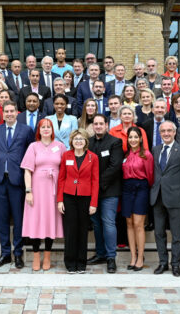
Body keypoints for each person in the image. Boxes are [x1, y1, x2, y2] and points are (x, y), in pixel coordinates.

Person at [0, 101, 35, 269]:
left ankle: (17, 253)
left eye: (12, 111)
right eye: (6, 111)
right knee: (1, 218)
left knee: (18, 218)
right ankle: (5, 253)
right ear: (2, 113)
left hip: (17, 179)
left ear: (17, 112)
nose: (9, 114)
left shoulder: (26, 130)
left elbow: (30, 153)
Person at [20, 118, 67, 271]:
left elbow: (66, 170)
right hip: (36, 190)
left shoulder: (60, 146)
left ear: (52, 130)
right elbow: (27, 170)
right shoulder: (33, 146)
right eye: (43, 127)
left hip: (53, 191)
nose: (46, 129)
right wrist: (28, 191)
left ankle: (47, 255)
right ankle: (35, 256)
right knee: (35, 221)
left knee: (50, 222)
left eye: (49, 127)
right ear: (39, 130)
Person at [150, 121, 180, 277]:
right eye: (163, 131)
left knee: (176, 234)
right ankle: (163, 262)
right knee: (159, 233)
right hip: (157, 197)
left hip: (175, 197)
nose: (166, 133)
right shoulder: (155, 150)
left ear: (175, 132)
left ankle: (175, 264)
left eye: (169, 131)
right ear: (160, 133)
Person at [57, 129, 99, 274]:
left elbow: (95, 181)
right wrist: (60, 200)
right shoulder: (66, 155)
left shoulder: (93, 157)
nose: (79, 141)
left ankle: (81, 262)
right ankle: (70, 262)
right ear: (72, 142)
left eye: (81, 139)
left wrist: (94, 203)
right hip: (68, 197)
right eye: (76, 139)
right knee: (70, 230)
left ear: (86, 141)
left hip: (85, 197)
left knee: (82, 231)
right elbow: (61, 178)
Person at [87, 114, 123, 273]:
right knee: (96, 224)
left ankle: (110, 257)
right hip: (91, 192)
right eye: (96, 124)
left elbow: (115, 167)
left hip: (109, 190)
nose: (99, 126)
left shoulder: (115, 142)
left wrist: (98, 185)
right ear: (93, 126)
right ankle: (100, 253)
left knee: (108, 223)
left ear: (107, 125)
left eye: (101, 123)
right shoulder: (89, 143)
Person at [122, 127, 154, 272]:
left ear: (141, 138)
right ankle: (133, 257)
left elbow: (151, 176)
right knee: (129, 222)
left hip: (141, 188)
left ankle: (141, 257)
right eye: (130, 137)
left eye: (136, 137)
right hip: (127, 189)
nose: (133, 140)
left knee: (138, 223)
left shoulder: (146, 155)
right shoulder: (125, 155)